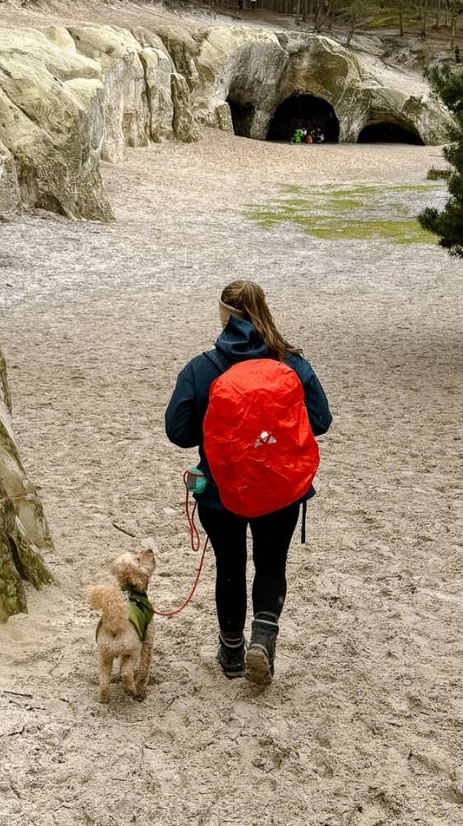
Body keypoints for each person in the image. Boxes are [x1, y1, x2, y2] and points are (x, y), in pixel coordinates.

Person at [164, 280, 331, 686]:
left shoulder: (202, 367)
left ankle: (232, 651)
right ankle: (263, 637)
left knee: (230, 566)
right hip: (280, 488)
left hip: (222, 490)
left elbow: (178, 432)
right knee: (271, 563)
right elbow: (321, 421)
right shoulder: (292, 364)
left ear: (224, 314)